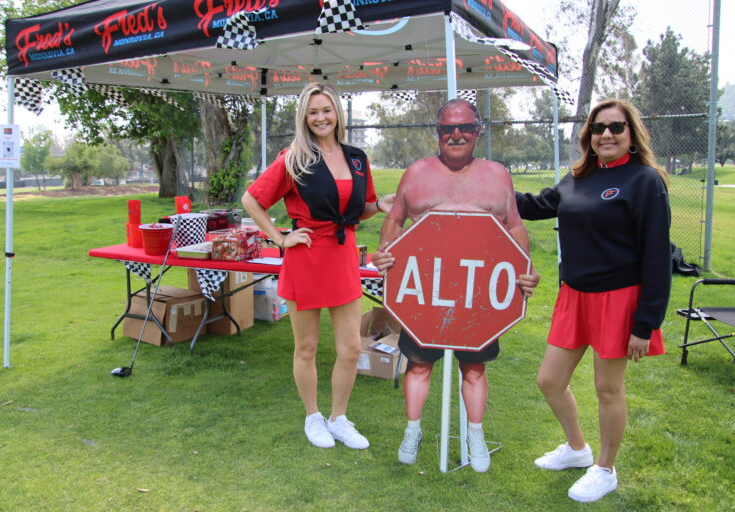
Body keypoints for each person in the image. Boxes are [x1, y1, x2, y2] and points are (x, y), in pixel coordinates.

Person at [516, 98, 671, 503]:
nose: (607, 135)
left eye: (617, 128)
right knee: (549, 380)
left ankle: (605, 468)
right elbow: (533, 206)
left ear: (631, 135)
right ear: (589, 135)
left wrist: (645, 324)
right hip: (575, 297)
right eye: (599, 128)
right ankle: (576, 449)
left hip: (619, 300)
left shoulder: (645, 181)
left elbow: (657, 257)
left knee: (607, 388)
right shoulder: (577, 178)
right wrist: (488, 184)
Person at [371, 99, 539, 471]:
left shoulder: (497, 175)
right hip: (425, 292)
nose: (456, 135)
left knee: (475, 367)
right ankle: (412, 430)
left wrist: (523, 268)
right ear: (438, 133)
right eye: (448, 129)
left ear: (478, 131)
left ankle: (474, 435)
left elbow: (514, 225)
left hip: (477, 293)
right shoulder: (416, 173)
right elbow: (396, 218)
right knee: (417, 365)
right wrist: (384, 251)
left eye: (464, 127)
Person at [241, 83, 393, 450]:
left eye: (326, 109)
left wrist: (381, 204)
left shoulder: (357, 158)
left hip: (342, 258)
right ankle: (313, 417)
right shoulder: (294, 158)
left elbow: (360, 208)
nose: (321, 117)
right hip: (306, 259)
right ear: (304, 118)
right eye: (313, 112)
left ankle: (339, 418)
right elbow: (252, 199)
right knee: (306, 347)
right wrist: (279, 238)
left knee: (351, 349)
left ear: (337, 112)